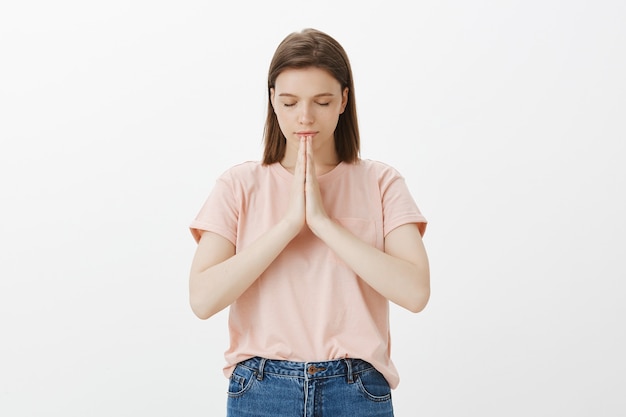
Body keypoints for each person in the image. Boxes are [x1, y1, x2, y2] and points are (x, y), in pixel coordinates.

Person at [189, 28, 430, 417]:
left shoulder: (381, 183)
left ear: (343, 101)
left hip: (356, 388)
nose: (304, 117)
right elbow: (202, 299)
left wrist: (323, 223)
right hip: (261, 388)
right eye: (289, 102)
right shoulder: (238, 185)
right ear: (272, 100)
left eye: (321, 101)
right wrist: (288, 225)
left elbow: (415, 292)